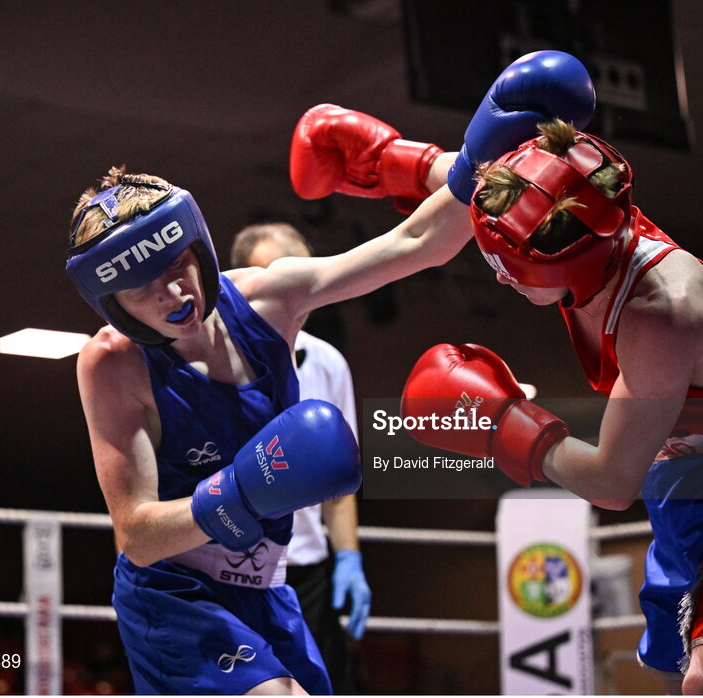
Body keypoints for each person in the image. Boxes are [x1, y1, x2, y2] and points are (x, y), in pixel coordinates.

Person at [298, 51, 703, 695]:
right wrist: (389, 162)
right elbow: (491, 185)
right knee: (695, 670)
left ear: (540, 273)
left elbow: (613, 481)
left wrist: (504, 426)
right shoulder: (580, 201)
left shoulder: (660, 314)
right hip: (689, 485)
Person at [65, 106, 469, 695]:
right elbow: (137, 534)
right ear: (112, 302)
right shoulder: (113, 363)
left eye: (179, 267)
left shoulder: (269, 301)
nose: (175, 292)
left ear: (197, 247)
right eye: (144, 288)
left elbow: (418, 242)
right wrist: (241, 491)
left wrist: (486, 162)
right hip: (174, 594)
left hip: (268, 586)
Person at [231, 222, 369, 694]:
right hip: (229, 565)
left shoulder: (329, 362)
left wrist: (348, 557)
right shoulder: (209, 358)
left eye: (305, 275)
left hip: (306, 569)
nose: (296, 291)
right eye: (279, 276)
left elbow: (342, 482)